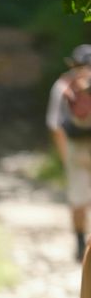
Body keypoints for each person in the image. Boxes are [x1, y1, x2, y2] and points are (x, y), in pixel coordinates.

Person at [46, 44, 91, 261]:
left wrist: (64, 156)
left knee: (78, 199)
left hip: (75, 148)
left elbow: (55, 126)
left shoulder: (63, 86)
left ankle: (81, 244)